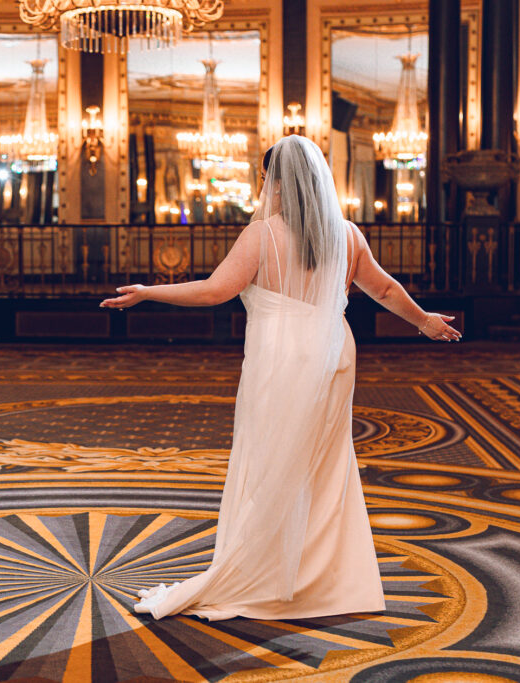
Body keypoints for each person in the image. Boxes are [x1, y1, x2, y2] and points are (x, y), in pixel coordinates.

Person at [100, 135, 460, 621]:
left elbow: (213, 292)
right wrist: (425, 322)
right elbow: (386, 289)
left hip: (279, 358)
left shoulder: (262, 235)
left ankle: (270, 574)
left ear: (274, 180)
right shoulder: (347, 234)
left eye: (265, 175)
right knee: (326, 465)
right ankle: (327, 581)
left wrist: (148, 291)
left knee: (271, 458)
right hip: (334, 353)